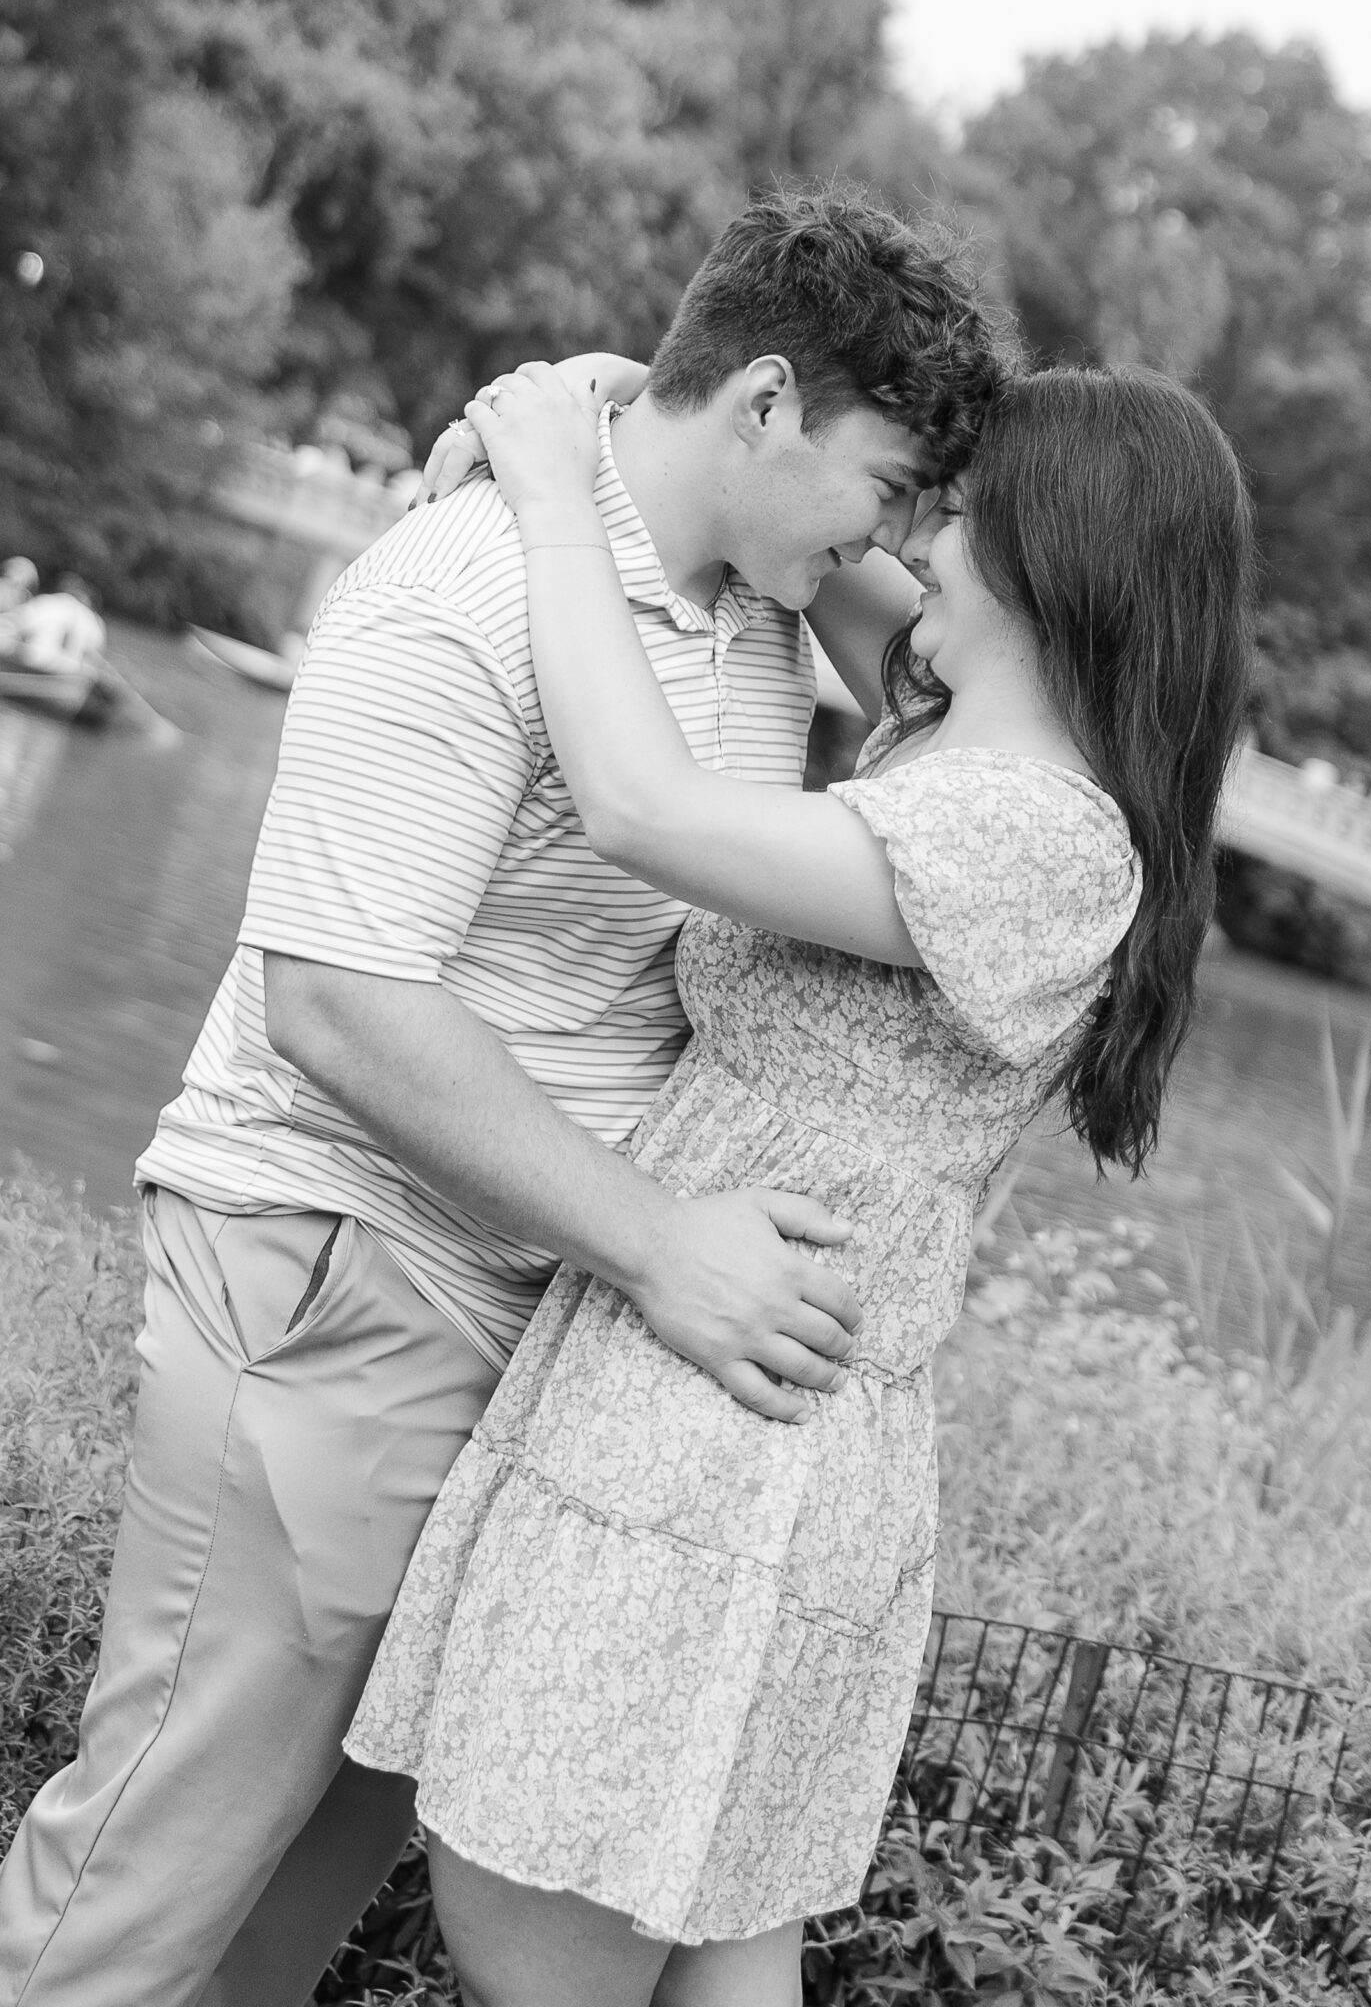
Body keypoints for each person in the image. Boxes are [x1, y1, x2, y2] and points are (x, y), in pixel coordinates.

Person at [0, 188, 1006, 2007]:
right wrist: (659, 1250)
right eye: (893, 486)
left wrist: (603, 400)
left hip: (533, 1321)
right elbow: (337, 997)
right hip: (344, 1278)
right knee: (153, 1880)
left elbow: (980, 688)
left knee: (284, 1912)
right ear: (767, 407)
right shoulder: (463, 579)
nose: (908, 543)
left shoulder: (760, 601)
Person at [342, 350, 1256, 2007]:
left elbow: (636, 807)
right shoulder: (944, 743)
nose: (918, 536)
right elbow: (801, 540)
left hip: (718, 1460)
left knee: (535, 1939)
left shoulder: (1036, 836)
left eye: (959, 514)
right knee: (691, 1962)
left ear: (1051, 561)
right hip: (735, 1421)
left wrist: (556, 492)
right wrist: (642, 398)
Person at [7, 573, 103, 675]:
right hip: (66, 673)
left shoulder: (46, 601)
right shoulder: (93, 620)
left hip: (29, 661)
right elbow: (92, 656)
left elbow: (16, 625)